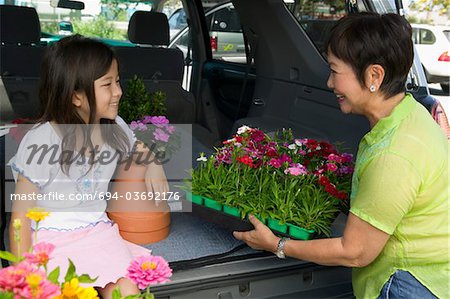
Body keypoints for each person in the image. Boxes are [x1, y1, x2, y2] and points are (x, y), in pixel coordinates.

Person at [234, 12, 449, 299]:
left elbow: (355, 252)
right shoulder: (411, 114)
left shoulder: (394, 153)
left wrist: (277, 244)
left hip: (406, 284)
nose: (329, 84)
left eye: (335, 71)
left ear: (374, 75)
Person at [8, 35, 169, 298]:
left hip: (97, 232)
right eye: (107, 84)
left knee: (129, 291)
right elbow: (20, 219)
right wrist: (24, 278)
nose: (118, 91)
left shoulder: (114, 128)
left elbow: (137, 147)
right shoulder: (42, 140)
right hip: (51, 241)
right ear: (75, 97)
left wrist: (152, 162)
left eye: (117, 81)